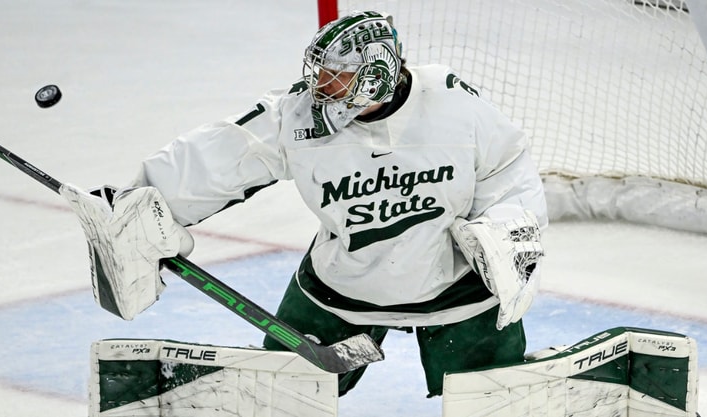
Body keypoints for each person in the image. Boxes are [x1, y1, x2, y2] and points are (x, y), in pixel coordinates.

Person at [63, 10, 547, 399]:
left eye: (335, 76)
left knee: (494, 398)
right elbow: (225, 152)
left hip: (457, 291)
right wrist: (143, 199)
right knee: (279, 392)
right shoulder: (299, 116)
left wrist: (504, 232)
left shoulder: (453, 106)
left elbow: (509, 168)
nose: (321, 85)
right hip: (343, 287)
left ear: (375, 76)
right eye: (320, 73)